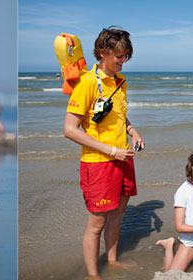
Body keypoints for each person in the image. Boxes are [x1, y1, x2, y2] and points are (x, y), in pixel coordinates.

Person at [62, 26, 144, 280]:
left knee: (118, 216)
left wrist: (133, 132)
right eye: (119, 56)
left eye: (126, 55)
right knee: (96, 225)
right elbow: (70, 130)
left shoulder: (121, 82)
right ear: (102, 52)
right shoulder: (87, 83)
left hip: (124, 159)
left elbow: (118, 114)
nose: (124, 60)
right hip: (98, 163)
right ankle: (93, 275)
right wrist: (111, 151)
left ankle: (112, 260)